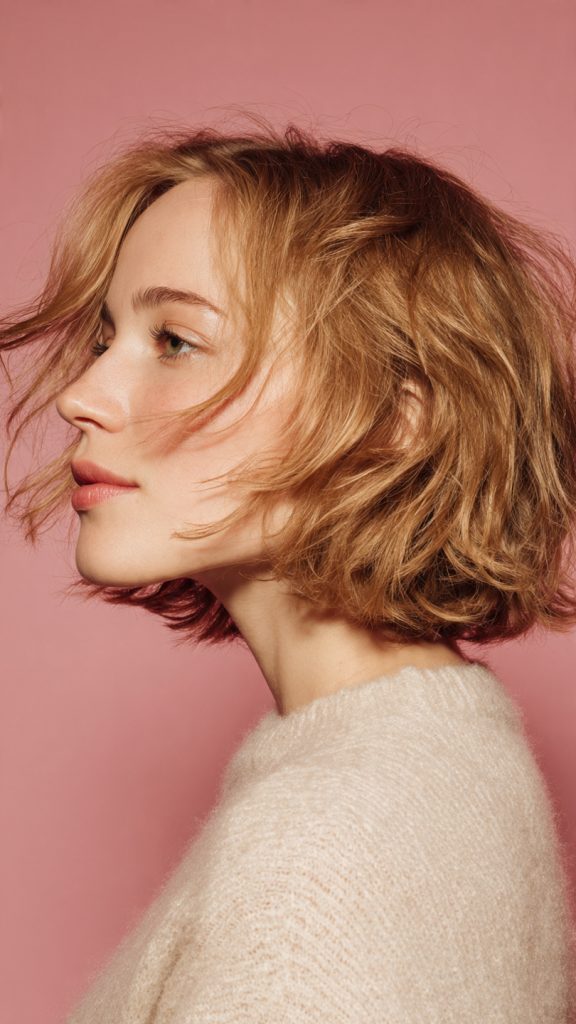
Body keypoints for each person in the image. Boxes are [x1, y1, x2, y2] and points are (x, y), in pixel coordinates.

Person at [1, 115, 576, 1021]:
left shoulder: (323, 854)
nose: (81, 395)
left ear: (394, 420)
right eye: (107, 338)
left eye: (176, 341)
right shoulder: (433, 766)